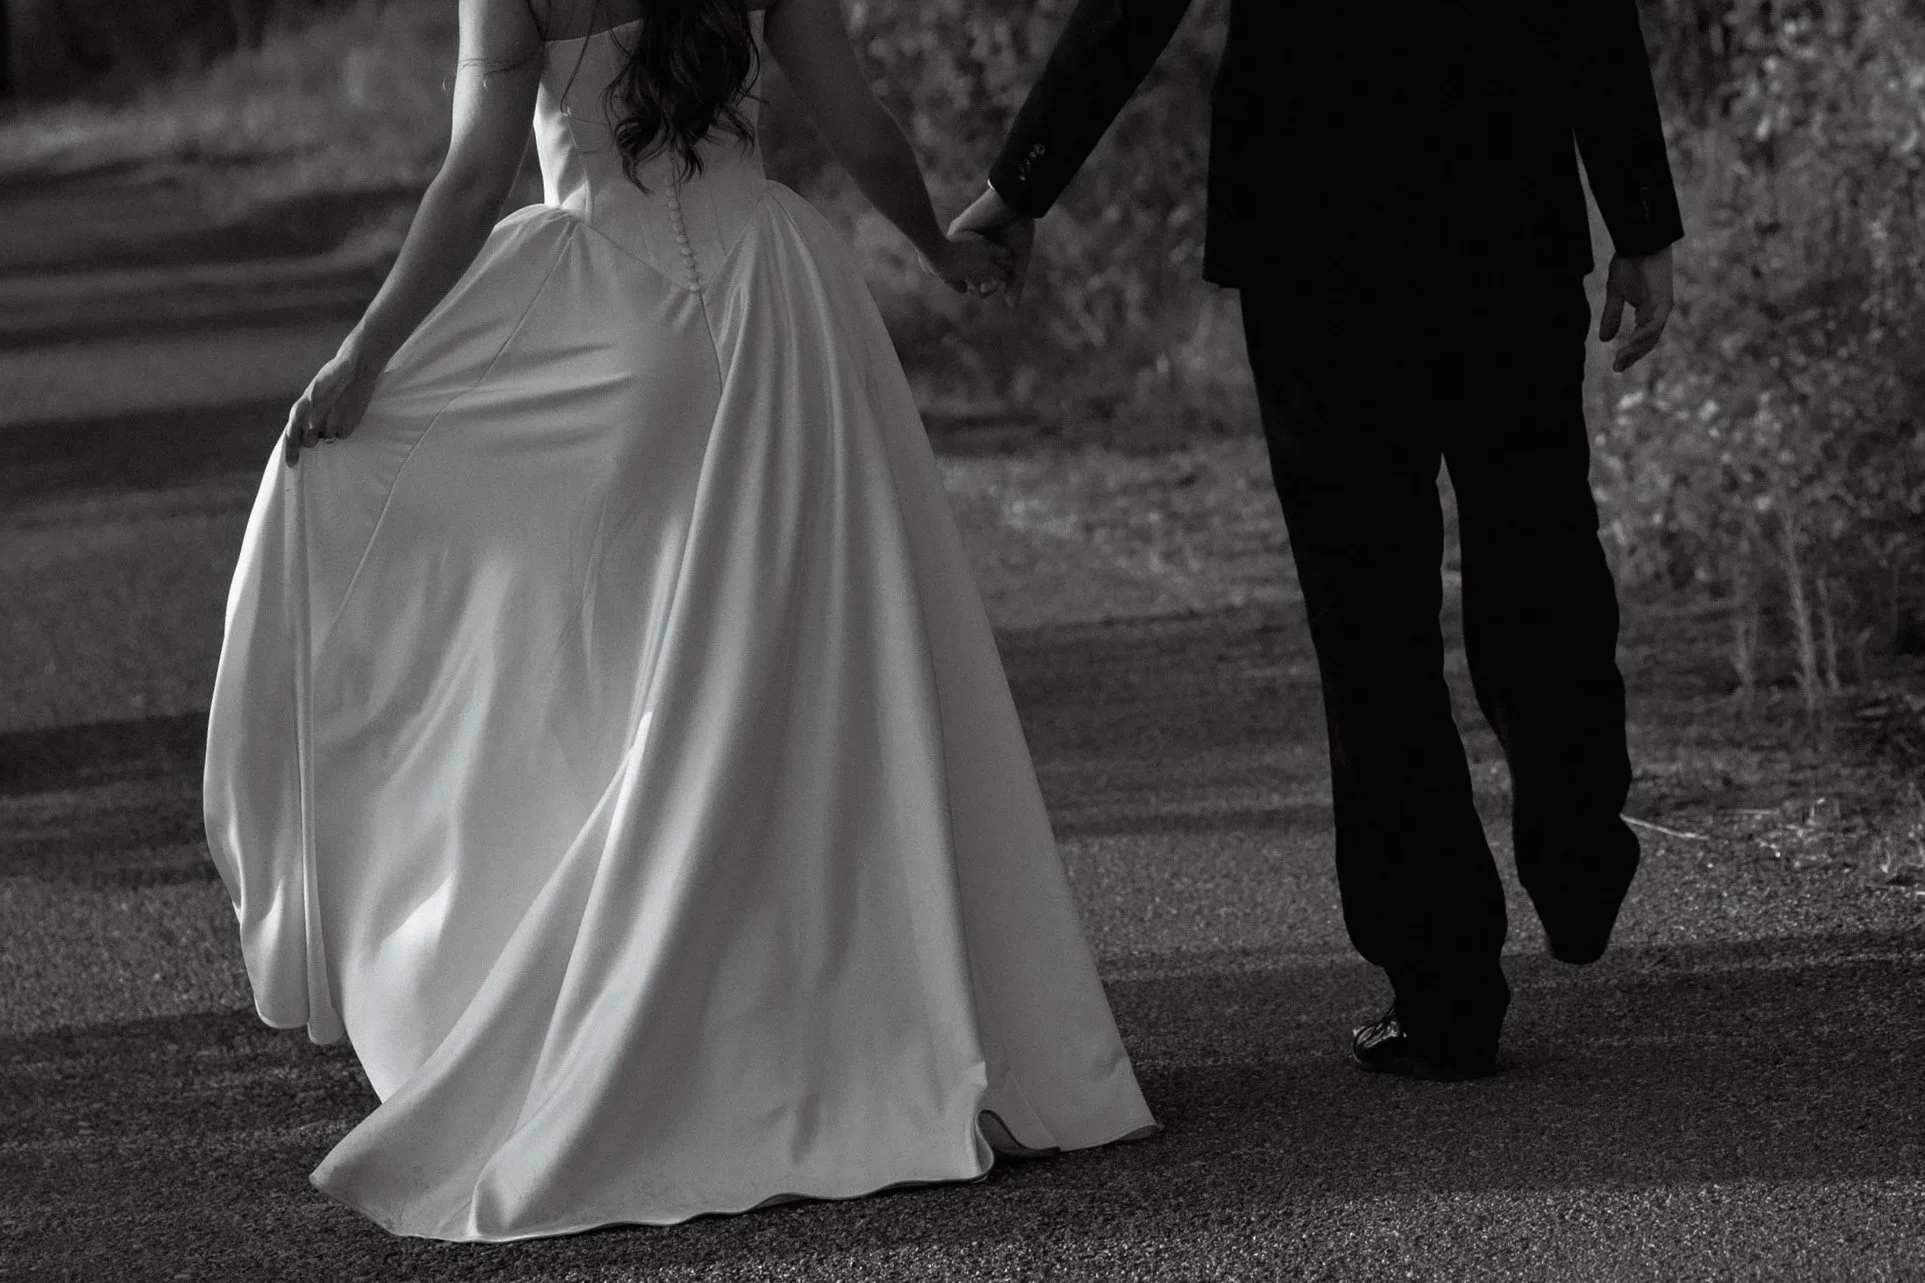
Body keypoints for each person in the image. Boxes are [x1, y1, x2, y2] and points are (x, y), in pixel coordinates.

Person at [202, 0, 1153, 1241]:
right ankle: (882, 1014)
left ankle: (670, 1003)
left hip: (611, 314)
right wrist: (937, 246)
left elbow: (479, 167)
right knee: (826, 661)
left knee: (641, 670)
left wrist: (370, 354)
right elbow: (857, 124)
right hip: (783, 298)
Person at [952, 0, 1684, 1080]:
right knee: (1534, 532)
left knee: (1369, 610)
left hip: (1310, 224)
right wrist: (1638, 216)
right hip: (1501, 197)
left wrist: (1023, 184)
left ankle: (1443, 989)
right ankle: (1573, 836)